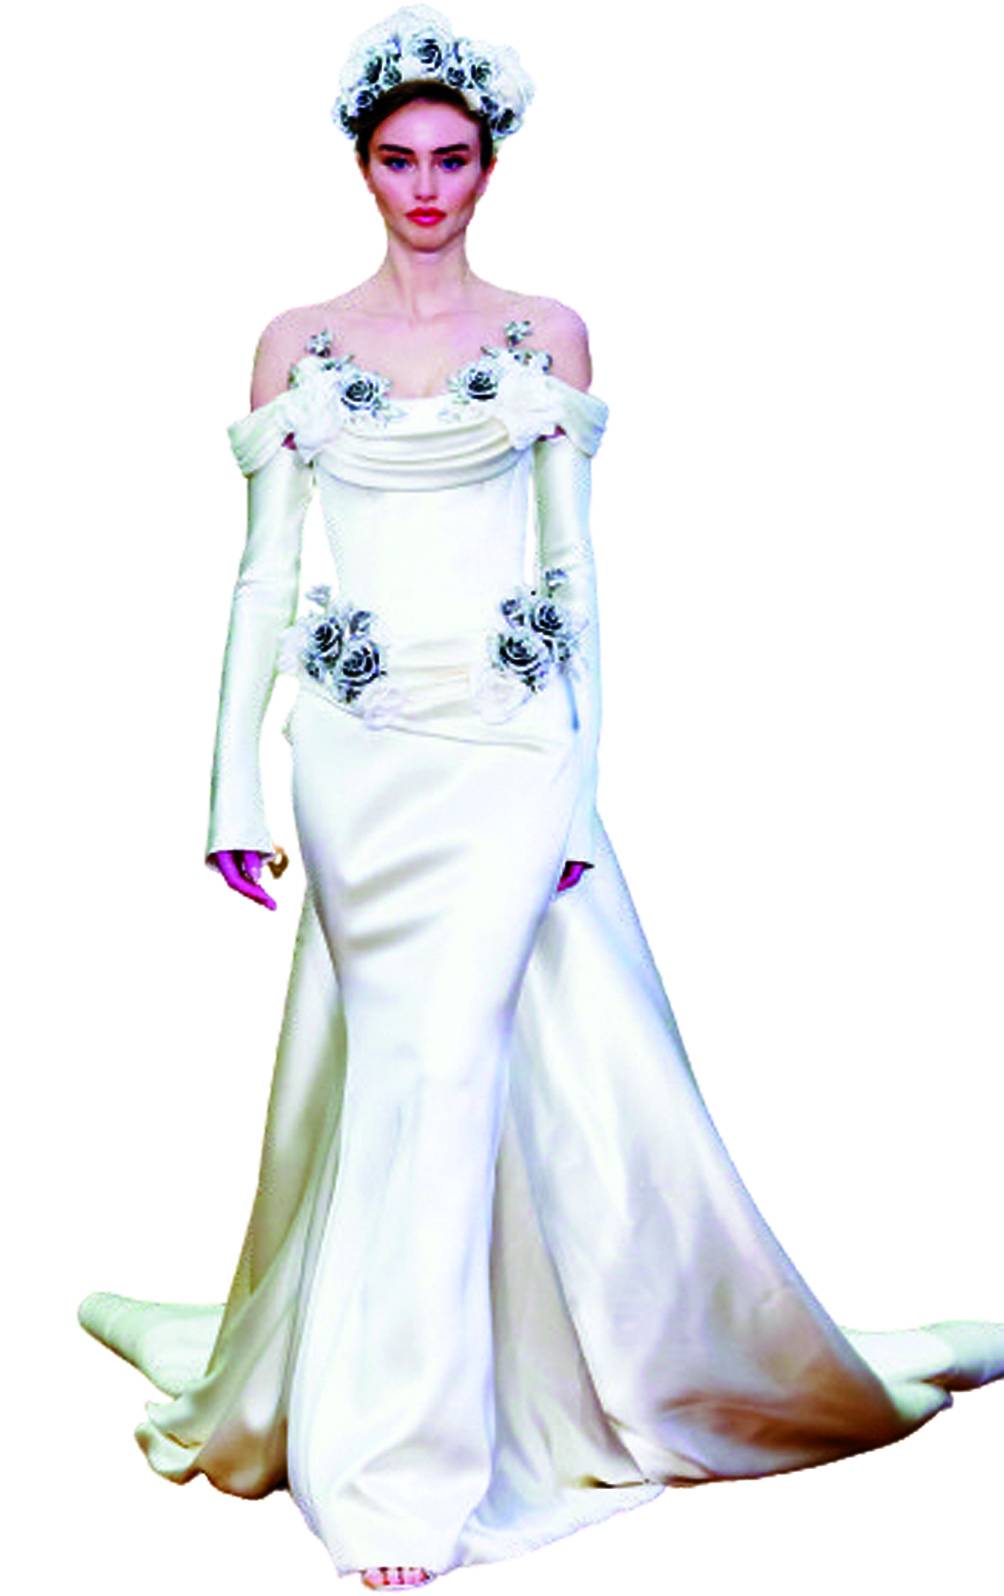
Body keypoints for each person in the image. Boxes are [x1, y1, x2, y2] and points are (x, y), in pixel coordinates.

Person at [76, 7, 1004, 1591]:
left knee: (451, 1073)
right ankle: (396, 1430)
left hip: (511, 752)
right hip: (358, 755)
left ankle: (404, 1474)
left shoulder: (549, 335)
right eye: (398, 160)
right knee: (411, 1075)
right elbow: (260, 581)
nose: (426, 187)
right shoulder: (294, 342)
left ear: (489, 166)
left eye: (452, 159)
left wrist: (579, 799)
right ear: (362, 167)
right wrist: (228, 781)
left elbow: (575, 580)